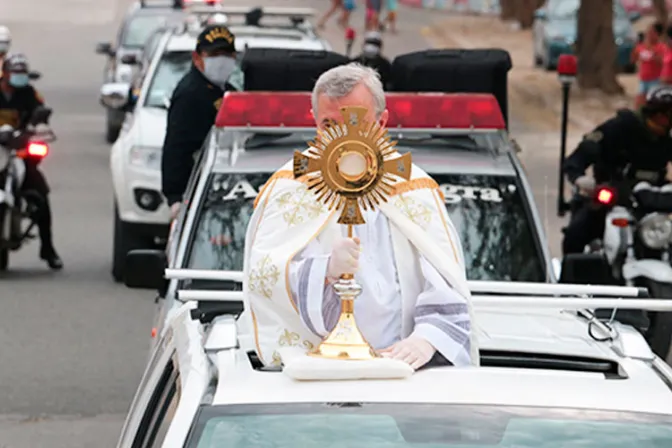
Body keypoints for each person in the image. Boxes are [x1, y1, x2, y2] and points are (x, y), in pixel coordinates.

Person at [243, 63, 478, 370]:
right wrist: (324, 270)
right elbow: (263, 276)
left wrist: (427, 338)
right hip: (314, 374)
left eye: (356, 123)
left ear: (382, 122)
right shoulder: (291, 188)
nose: (344, 138)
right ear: (313, 121)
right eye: (330, 124)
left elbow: (445, 279)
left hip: (404, 375)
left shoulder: (412, 187)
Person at [561, 85, 672, 255]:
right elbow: (580, 155)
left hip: (654, 201)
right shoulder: (620, 127)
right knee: (576, 235)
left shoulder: (668, 138)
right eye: (669, 114)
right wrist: (579, 178)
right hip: (614, 197)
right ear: (656, 113)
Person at [161, 24, 240, 218]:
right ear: (197, 58)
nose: (221, 61)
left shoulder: (228, 91)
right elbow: (176, 147)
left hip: (223, 189)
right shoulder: (190, 94)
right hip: (196, 193)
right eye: (213, 54)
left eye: (226, 54)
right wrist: (176, 197)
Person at [0, 55, 62, 269]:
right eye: (15, 73)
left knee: (40, 194)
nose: (19, 78)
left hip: (19, 152)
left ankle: (48, 249)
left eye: (22, 74)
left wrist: (39, 123)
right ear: (5, 74)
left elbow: (40, 112)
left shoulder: (28, 93)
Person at [631, 22, 664, 107]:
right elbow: (633, 60)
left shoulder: (661, 47)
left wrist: (652, 54)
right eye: (648, 32)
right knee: (639, 102)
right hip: (643, 79)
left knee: (653, 103)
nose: (648, 34)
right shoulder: (641, 46)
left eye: (651, 32)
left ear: (657, 34)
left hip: (655, 80)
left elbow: (662, 62)